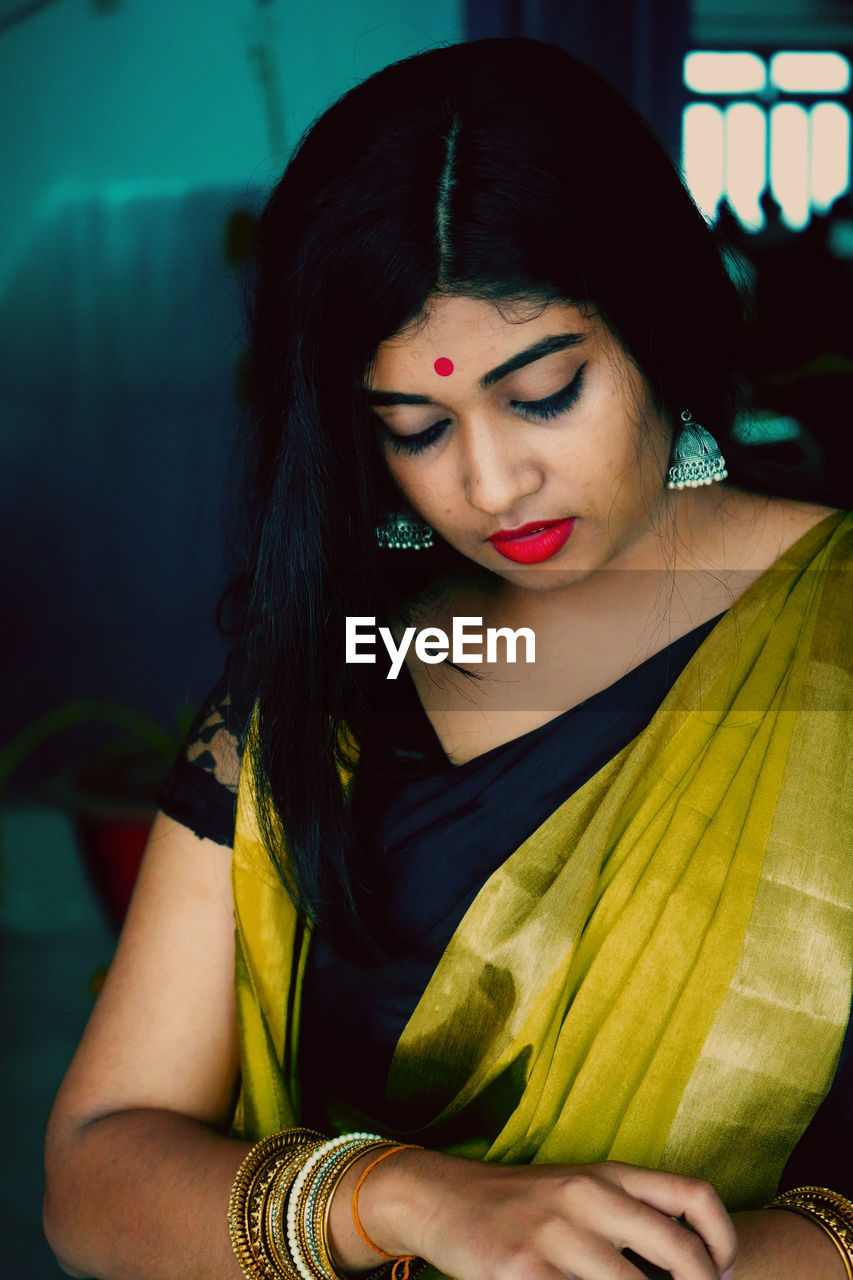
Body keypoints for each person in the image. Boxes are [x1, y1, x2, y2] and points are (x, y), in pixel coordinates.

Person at [43, 37, 852, 1280]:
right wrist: (411, 1199)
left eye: (545, 394)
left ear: (658, 326)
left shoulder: (832, 633)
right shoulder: (350, 657)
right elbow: (96, 1168)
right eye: (416, 427)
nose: (489, 481)